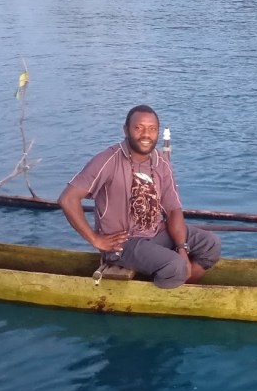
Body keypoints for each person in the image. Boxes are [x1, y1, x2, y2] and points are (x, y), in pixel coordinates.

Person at [59, 105, 222, 289]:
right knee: (175, 266)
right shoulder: (108, 160)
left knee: (210, 244)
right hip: (122, 244)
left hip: (155, 233)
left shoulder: (161, 162)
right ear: (126, 130)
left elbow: (172, 210)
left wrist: (182, 248)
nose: (146, 135)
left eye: (152, 129)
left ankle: (179, 287)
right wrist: (95, 239)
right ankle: (167, 286)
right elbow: (68, 199)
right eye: (139, 128)